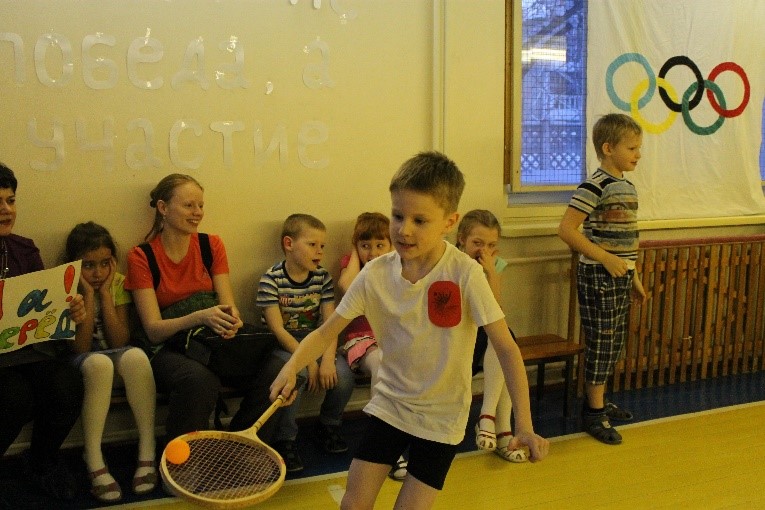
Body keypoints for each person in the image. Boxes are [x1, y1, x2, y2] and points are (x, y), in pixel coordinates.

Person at [269, 152, 549, 510]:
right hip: (391, 406)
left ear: (449, 222)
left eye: (420, 220)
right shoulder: (374, 275)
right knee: (353, 503)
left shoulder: (465, 274)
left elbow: (507, 349)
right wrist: (291, 366)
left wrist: (524, 424)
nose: (404, 230)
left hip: (442, 418)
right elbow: (327, 332)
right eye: (398, 216)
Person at [125, 173, 285, 448]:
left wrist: (232, 321)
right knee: (199, 381)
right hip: (166, 348)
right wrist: (199, 316)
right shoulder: (141, 256)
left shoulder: (211, 245)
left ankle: (242, 445)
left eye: (200, 205)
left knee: (279, 366)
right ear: (163, 208)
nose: (197, 212)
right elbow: (153, 330)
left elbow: (228, 305)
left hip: (209, 339)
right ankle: (181, 459)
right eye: (188, 205)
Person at [558, 113, 647, 445]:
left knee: (614, 343)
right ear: (608, 149)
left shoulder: (626, 185)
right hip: (599, 276)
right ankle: (594, 412)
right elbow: (567, 230)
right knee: (602, 342)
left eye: (638, 148)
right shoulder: (594, 185)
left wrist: (634, 277)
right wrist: (606, 259)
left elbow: (626, 239)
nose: (638, 154)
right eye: (632, 148)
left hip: (620, 275)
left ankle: (599, 400)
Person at [0, 163, 87, 501]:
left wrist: (72, 310)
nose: (6, 210)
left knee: (67, 383)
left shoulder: (24, 249)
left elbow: (47, 310)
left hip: (28, 352)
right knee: (14, 397)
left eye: (11, 201)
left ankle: (41, 461)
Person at [63, 222, 157, 503]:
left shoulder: (117, 283)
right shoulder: (67, 289)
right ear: (75, 265)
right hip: (83, 362)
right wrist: (88, 295)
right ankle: (93, 458)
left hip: (114, 353)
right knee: (99, 365)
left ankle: (148, 450)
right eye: (88, 265)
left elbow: (120, 340)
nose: (98, 273)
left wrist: (105, 294)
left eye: (105, 264)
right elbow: (79, 347)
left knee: (137, 356)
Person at [257, 213, 355, 473]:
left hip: (318, 341)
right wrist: (309, 362)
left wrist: (326, 361)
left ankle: (329, 424)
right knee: (296, 376)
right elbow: (278, 330)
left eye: (322, 246)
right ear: (289, 244)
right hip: (283, 346)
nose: (320, 252)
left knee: (343, 376)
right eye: (312, 245)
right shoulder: (271, 279)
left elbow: (330, 325)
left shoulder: (322, 278)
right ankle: (286, 438)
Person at [336, 212, 407, 481]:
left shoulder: (397, 267)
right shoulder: (352, 267)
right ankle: (384, 444)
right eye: (365, 245)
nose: (373, 252)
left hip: (391, 338)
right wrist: (356, 255)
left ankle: (404, 434)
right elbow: (346, 285)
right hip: (361, 340)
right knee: (381, 363)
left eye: (380, 245)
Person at [456, 209, 527, 463]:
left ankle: (496, 424)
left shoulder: (494, 265)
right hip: (457, 339)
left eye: (491, 245)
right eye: (477, 243)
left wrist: (491, 275)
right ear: (462, 239)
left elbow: (494, 311)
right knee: (503, 341)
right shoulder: (453, 262)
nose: (484, 251)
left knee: (505, 338)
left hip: (482, 338)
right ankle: (495, 423)